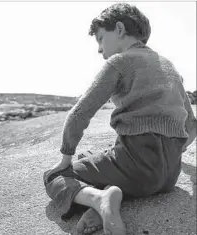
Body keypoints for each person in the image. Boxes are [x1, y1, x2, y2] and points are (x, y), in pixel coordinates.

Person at [43, 3, 197, 235]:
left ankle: (99, 199)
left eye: (101, 39)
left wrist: (65, 157)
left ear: (119, 29)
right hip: (169, 178)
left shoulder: (119, 63)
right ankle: (109, 198)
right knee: (92, 157)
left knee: (55, 176)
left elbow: (80, 113)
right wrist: (174, 153)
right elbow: (192, 125)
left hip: (136, 166)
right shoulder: (170, 67)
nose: (99, 49)